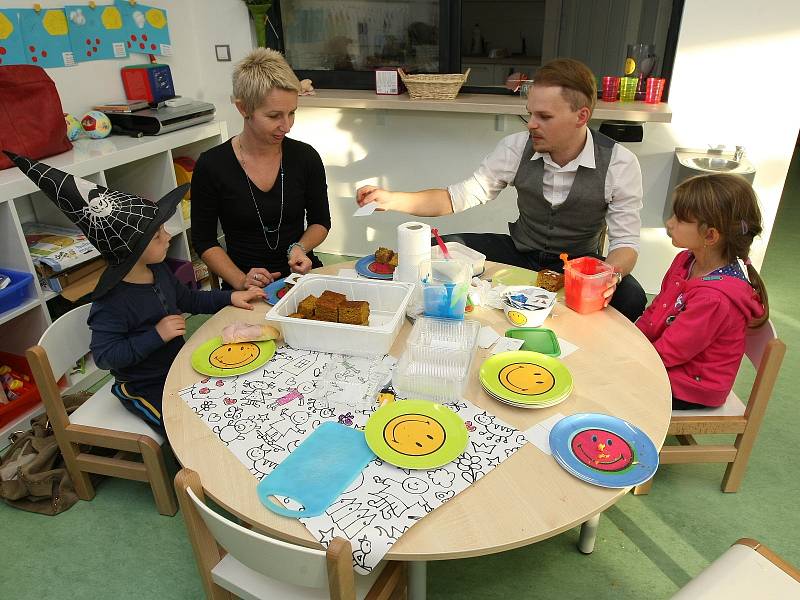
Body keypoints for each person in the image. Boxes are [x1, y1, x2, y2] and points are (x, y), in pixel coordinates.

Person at [356, 58, 647, 321]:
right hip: (522, 250)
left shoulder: (619, 164)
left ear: (581, 117)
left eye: (544, 117)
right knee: (435, 250)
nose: (532, 124)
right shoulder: (516, 147)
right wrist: (392, 199)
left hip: (580, 264)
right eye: (530, 113)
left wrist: (608, 275)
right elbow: (456, 197)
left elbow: (625, 245)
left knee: (631, 296)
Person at [4, 151, 266, 435]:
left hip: (177, 366)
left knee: (231, 401)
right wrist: (157, 334)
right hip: (141, 386)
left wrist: (230, 297)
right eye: (157, 236)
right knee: (184, 428)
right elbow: (105, 356)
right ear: (133, 251)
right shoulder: (113, 302)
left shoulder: (159, 269)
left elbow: (189, 299)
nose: (167, 237)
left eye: (163, 229)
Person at [191, 48, 331, 291]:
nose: (286, 126)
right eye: (274, 116)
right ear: (243, 108)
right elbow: (204, 241)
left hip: (299, 276)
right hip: (243, 283)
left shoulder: (305, 157)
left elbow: (320, 221)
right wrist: (240, 280)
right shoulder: (212, 165)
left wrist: (299, 248)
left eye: (292, 113)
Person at [636, 174, 768, 410]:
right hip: (670, 364)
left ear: (710, 236)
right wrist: (632, 339)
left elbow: (672, 351)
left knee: (616, 386)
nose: (669, 223)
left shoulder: (714, 298)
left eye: (680, 219)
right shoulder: (686, 260)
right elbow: (657, 309)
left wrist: (631, 360)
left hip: (691, 386)